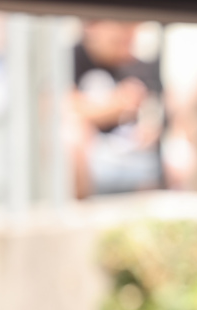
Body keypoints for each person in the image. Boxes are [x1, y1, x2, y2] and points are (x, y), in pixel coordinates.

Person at [70, 20, 165, 199]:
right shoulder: (70, 59)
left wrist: (150, 127)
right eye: (122, 26)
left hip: (135, 156)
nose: (128, 34)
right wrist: (115, 105)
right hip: (92, 156)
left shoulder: (139, 65)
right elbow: (59, 107)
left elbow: (160, 111)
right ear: (92, 27)